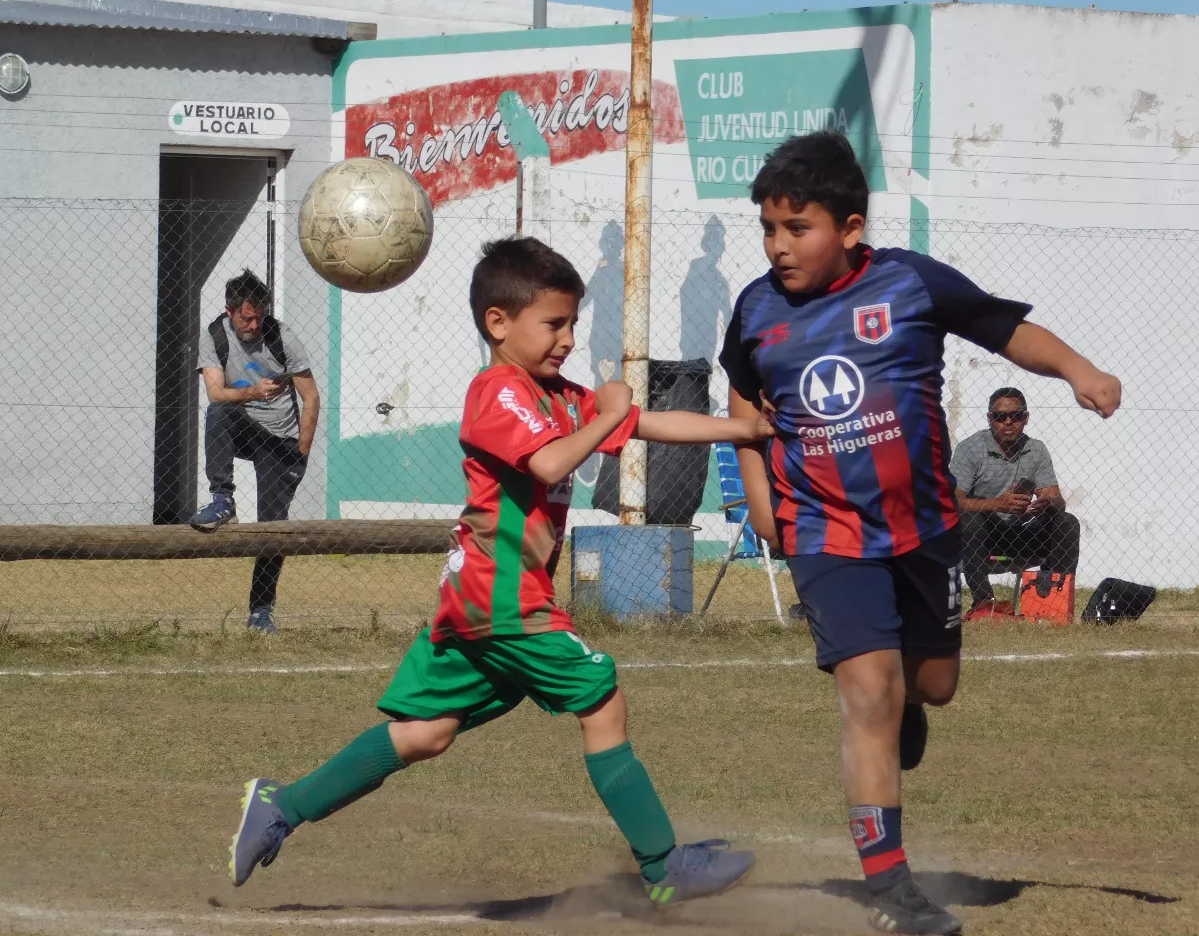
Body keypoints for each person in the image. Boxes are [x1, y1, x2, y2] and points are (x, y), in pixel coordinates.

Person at [228, 237, 770, 904]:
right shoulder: (496, 394)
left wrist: (744, 433)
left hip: (485, 596)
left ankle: (282, 806)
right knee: (601, 697)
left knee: (427, 734)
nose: (569, 338)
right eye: (555, 323)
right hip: (500, 594)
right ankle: (662, 868)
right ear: (498, 323)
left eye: (573, 323)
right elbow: (548, 464)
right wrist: (605, 416)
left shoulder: (561, 397)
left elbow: (650, 424)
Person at [720, 131, 1120, 935]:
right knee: (867, 691)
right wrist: (761, 499)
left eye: (798, 228)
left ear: (852, 228)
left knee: (929, 686)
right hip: (825, 532)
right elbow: (742, 398)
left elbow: (1002, 329)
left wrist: (1080, 371)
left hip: (926, 530)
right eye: (768, 228)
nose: (779, 245)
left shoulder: (909, 282)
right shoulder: (758, 309)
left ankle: (910, 708)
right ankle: (892, 887)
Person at [191, 269, 320, 634]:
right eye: (247, 317)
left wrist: (302, 452)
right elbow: (216, 394)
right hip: (244, 427)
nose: (254, 323)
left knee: (272, 527)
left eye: (260, 316)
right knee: (219, 413)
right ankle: (222, 499)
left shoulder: (283, 337)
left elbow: (311, 398)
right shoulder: (215, 336)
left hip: (281, 440)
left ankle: (261, 612)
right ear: (230, 311)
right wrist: (251, 393)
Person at [950, 387, 1081, 619]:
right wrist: (997, 504)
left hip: (1019, 533)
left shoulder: (1036, 449)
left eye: (1016, 416)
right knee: (969, 520)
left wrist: (1047, 503)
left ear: (1026, 418)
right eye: (1000, 416)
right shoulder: (970, 449)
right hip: (980, 538)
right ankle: (984, 603)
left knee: (1066, 522)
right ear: (990, 419)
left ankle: (1051, 598)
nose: (1008, 422)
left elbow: (1056, 499)